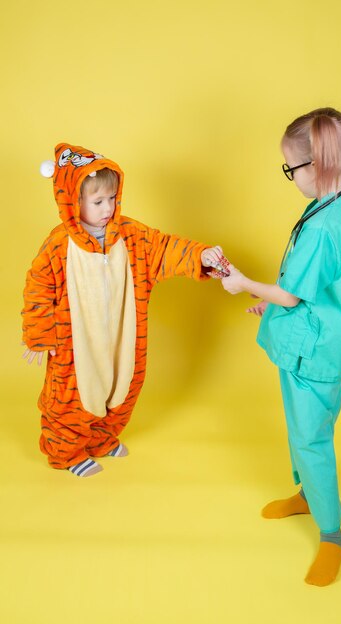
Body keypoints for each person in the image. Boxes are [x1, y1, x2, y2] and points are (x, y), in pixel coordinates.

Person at [22, 143, 224, 478]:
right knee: (70, 396)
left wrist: (200, 256)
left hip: (123, 333)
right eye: (97, 202)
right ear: (73, 202)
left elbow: (165, 249)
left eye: (112, 199)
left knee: (122, 387)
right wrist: (39, 333)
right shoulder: (59, 244)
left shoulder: (131, 236)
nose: (107, 208)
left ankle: (101, 439)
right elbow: (38, 286)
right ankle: (66, 451)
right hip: (76, 342)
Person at [221, 108, 341, 586]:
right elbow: (311, 285)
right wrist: (276, 309)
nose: (291, 177)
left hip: (315, 353)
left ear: (317, 166)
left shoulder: (324, 225)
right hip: (312, 340)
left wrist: (244, 285)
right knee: (301, 426)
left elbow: (291, 292)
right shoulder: (336, 204)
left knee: (310, 437)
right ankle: (307, 495)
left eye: (291, 168)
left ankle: (332, 534)